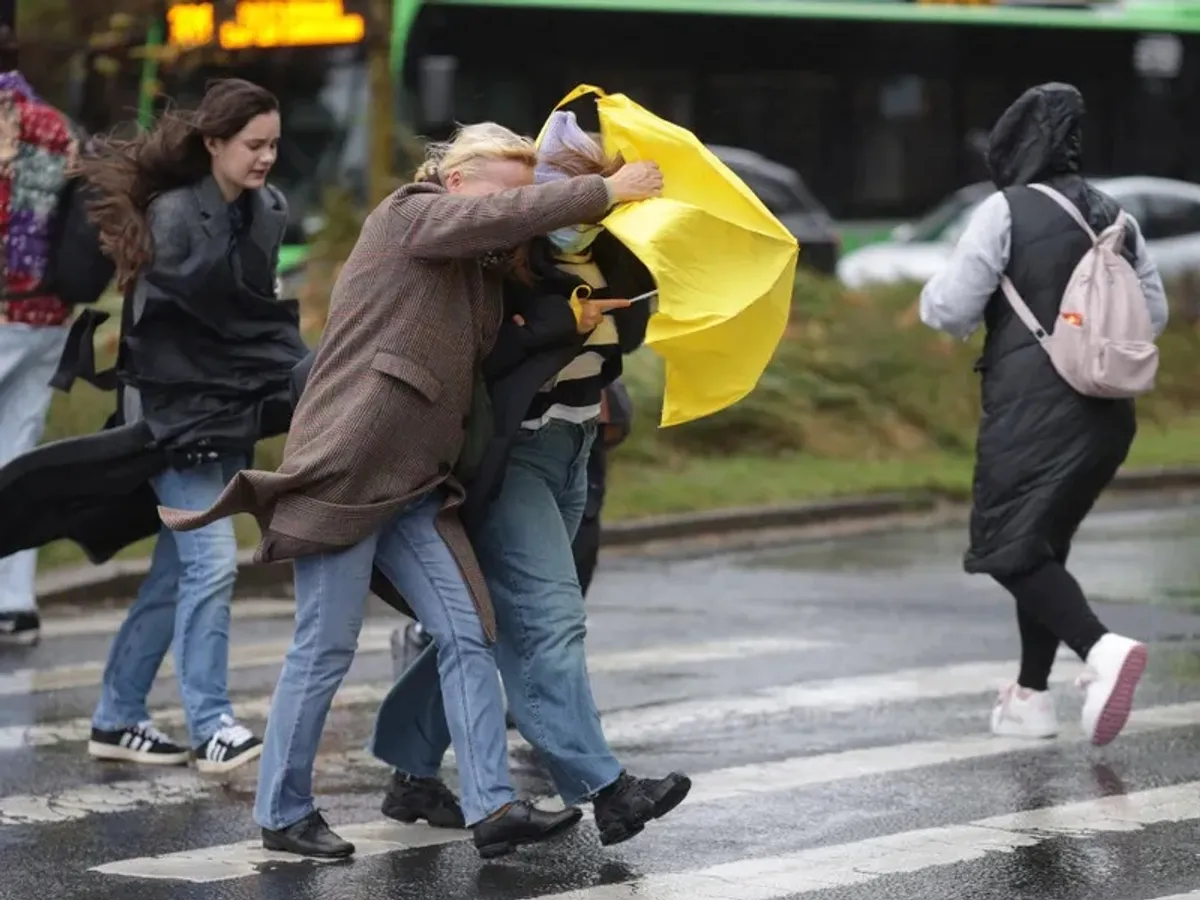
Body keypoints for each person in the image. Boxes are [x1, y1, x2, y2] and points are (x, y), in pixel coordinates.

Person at [159, 122, 665, 859]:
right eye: (509, 192)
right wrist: (602, 191)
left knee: (469, 632)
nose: (521, 210)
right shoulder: (409, 214)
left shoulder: (478, 276)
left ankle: (493, 810)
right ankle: (282, 810)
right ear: (459, 182)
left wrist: (571, 316)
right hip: (350, 472)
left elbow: (502, 347)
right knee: (323, 650)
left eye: (529, 196)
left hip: (418, 484)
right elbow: (492, 220)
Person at [373, 111, 691, 850]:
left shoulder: (609, 248)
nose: (587, 195)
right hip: (516, 453)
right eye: (572, 182)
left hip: (575, 443)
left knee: (496, 623)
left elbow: (630, 331)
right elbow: (493, 355)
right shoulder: (498, 248)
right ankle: (607, 790)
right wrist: (567, 317)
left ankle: (410, 768)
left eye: (596, 180)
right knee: (550, 618)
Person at [918, 83, 1168, 747]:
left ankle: (1101, 648)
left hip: (1033, 411)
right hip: (1109, 416)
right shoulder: (1119, 216)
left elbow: (949, 310)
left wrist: (932, 295)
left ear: (1013, 145)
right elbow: (1155, 316)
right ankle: (1030, 697)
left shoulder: (1004, 212)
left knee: (1004, 546)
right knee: (1039, 545)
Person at [70, 78, 308, 773]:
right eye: (252, 145)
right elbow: (169, 329)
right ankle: (213, 725)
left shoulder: (270, 211)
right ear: (213, 144)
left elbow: (253, 315)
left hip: (227, 409)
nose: (265, 158)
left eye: (273, 145)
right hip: (171, 412)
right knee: (208, 565)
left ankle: (116, 717)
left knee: (175, 576)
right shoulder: (174, 215)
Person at [0, 39, 80, 647]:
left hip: (3, 305)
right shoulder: (54, 123)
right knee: (17, 453)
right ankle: (16, 601)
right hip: (49, 311)